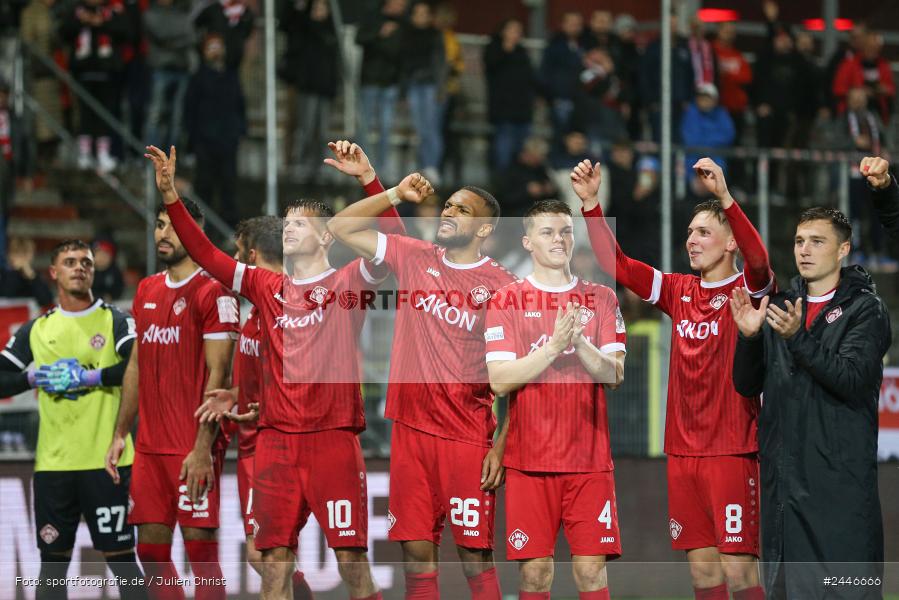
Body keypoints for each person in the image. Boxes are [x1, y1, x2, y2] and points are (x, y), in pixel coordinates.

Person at [145, 142, 405, 600]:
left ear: (327, 237)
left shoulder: (348, 283)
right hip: (276, 444)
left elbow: (398, 250)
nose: (289, 229)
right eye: (287, 222)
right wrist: (169, 195)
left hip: (333, 440)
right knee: (271, 564)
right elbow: (205, 254)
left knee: (352, 564)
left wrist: (370, 180)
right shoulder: (267, 286)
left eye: (302, 223)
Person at [574, 158, 772, 600]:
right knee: (703, 574)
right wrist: (591, 205)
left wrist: (724, 197)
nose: (691, 240)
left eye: (703, 232)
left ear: (730, 243)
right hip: (683, 451)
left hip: (733, 447)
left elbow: (759, 260)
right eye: (688, 233)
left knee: (740, 572)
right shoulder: (678, 290)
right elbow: (618, 264)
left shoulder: (749, 290)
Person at [328, 143, 514, 600]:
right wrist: (388, 189)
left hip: (467, 436)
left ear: (485, 227)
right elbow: (340, 226)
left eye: (463, 210)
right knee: (416, 551)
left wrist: (503, 444)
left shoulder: (503, 286)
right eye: (448, 204)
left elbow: (518, 379)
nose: (449, 211)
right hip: (411, 430)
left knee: (474, 556)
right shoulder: (415, 257)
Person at [730, 204, 889, 599]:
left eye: (817, 242)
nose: (804, 250)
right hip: (784, 491)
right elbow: (746, 386)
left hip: (838, 490)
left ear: (843, 250)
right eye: (800, 241)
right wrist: (749, 339)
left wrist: (797, 338)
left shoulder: (866, 310)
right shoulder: (781, 306)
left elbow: (850, 380)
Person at [485, 199, 626, 599]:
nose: (559, 239)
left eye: (565, 230)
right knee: (533, 576)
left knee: (591, 575)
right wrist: (552, 348)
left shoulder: (600, 298)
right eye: (547, 232)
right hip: (530, 462)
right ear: (528, 241)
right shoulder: (507, 300)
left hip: (589, 462)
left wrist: (578, 341)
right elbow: (498, 381)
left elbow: (613, 374)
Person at [105, 197, 238, 600]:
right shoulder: (146, 289)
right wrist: (119, 434)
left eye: (173, 227)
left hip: (192, 447)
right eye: (160, 225)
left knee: (201, 554)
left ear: (197, 235)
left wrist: (202, 448)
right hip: (149, 448)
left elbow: (221, 375)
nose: (163, 233)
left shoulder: (214, 292)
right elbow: (135, 367)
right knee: (150, 551)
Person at [0, 239, 146, 600]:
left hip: (107, 462)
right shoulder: (37, 330)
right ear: (53, 272)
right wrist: (31, 378)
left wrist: (89, 376)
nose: (79, 267)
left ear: (94, 271)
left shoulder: (115, 319)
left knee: (123, 562)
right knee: (52, 566)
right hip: (54, 466)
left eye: (86, 262)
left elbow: (138, 366)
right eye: (70, 261)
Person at [196, 216, 315, 600]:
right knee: (263, 556)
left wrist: (270, 408)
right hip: (249, 443)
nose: (233, 258)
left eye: (237, 251)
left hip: (275, 444)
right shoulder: (255, 306)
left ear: (251, 254)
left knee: (264, 554)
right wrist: (234, 392)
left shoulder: (289, 302)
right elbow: (262, 372)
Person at [482, 18, 536, 173]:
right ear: (503, 31)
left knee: (519, 154)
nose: (516, 34)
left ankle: (516, 189)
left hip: (523, 111)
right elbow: (490, 67)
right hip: (503, 112)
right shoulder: (493, 48)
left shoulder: (522, 52)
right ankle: (501, 187)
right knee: (502, 153)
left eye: (519, 31)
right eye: (512, 30)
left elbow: (530, 79)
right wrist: (506, 49)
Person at [2, 236, 53, 305]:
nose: (22, 258)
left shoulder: (34, 276)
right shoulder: (4, 275)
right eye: (17, 253)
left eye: (25, 254)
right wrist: (14, 271)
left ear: (31, 256)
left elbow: (47, 300)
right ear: (9, 255)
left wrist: (31, 276)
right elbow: (7, 296)